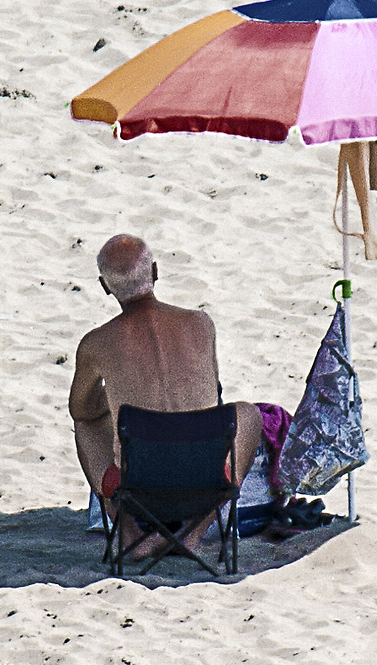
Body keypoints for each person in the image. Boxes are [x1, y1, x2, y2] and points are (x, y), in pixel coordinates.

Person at [69, 234, 262, 553]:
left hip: (136, 487)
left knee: (86, 426)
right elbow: (214, 391)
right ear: (155, 271)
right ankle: (193, 533)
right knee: (248, 413)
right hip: (207, 481)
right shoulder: (201, 323)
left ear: (105, 286)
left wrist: (115, 399)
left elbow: (80, 410)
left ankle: (130, 533)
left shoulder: (96, 343)